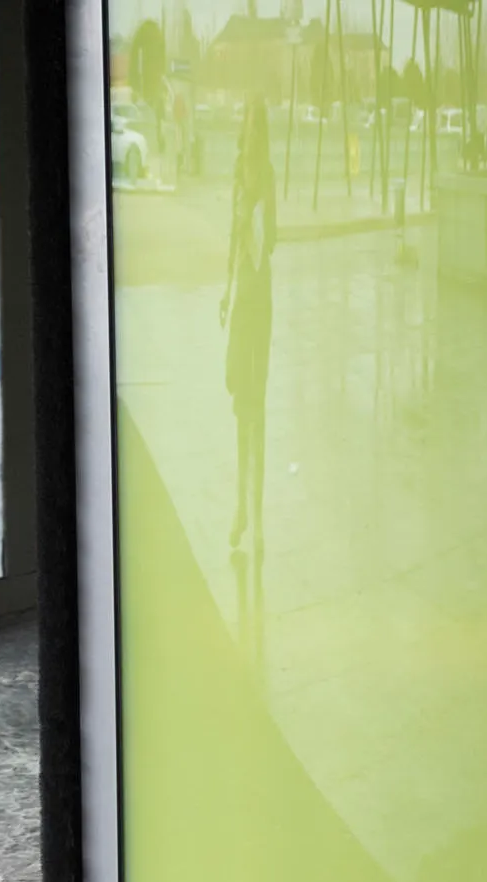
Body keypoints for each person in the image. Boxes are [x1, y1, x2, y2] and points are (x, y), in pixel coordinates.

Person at [222, 97, 276, 553]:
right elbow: (229, 237)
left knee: (256, 408)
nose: (251, 132)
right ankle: (241, 507)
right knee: (240, 401)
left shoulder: (268, 176)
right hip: (242, 299)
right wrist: (225, 290)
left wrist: (261, 223)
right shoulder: (239, 173)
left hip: (262, 299)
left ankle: (255, 517)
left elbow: (272, 239)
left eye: (257, 125)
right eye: (249, 123)